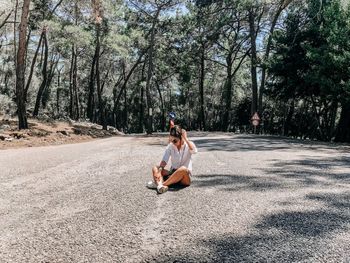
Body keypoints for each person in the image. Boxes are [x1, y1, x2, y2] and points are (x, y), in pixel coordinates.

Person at [147, 125, 198, 194]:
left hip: (184, 177)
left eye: (175, 140)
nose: (173, 142)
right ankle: (162, 186)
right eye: (171, 140)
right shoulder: (171, 146)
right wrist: (159, 171)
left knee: (183, 169)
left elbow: (194, 151)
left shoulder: (188, 145)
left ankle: (160, 185)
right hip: (173, 173)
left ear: (181, 137)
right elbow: (165, 159)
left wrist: (186, 139)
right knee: (155, 168)